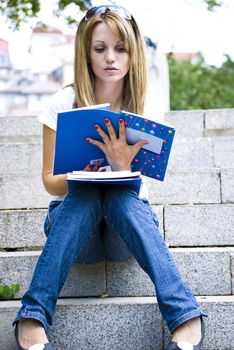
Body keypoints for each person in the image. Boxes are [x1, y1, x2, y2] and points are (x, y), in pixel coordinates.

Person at [13, 5, 207, 350]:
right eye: (100, 49)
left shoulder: (146, 107)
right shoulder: (61, 104)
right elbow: (48, 180)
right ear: (86, 53)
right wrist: (77, 177)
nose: (110, 58)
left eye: (120, 49)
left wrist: (120, 170)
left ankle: (183, 314)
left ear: (133, 55)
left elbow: (145, 182)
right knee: (85, 195)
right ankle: (32, 317)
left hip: (124, 230)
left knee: (119, 195)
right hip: (74, 229)